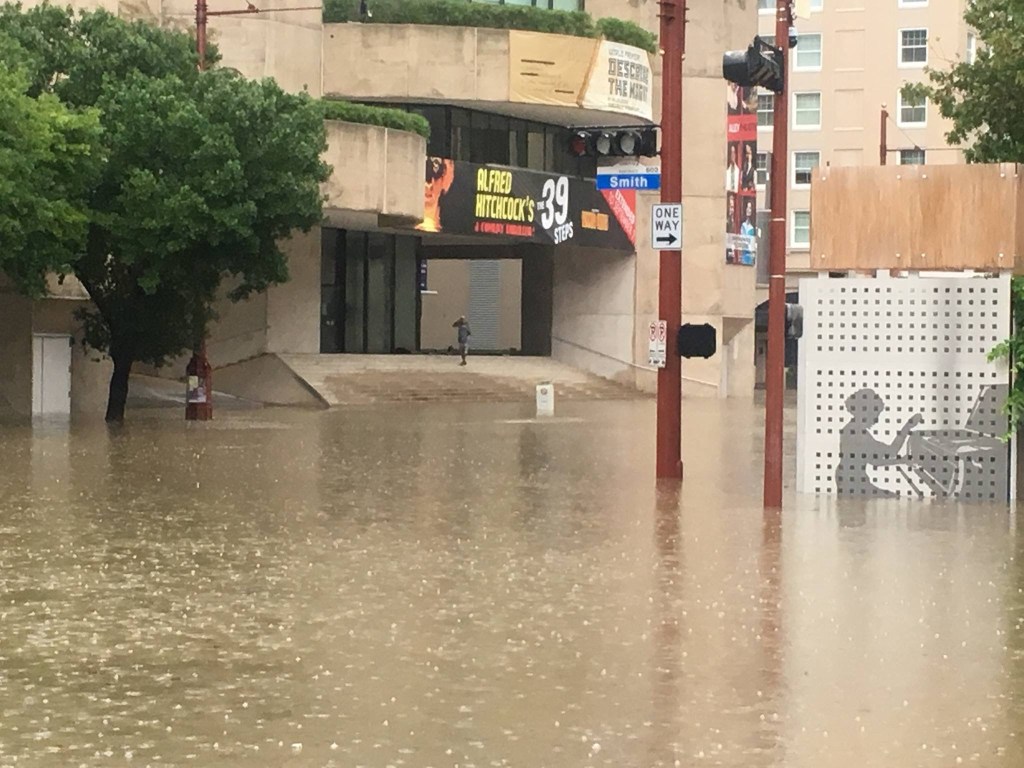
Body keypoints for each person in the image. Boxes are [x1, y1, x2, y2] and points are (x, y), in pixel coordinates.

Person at [835, 388, 923, 497]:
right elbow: (890, 452)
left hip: (851, 481)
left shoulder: (852, 430)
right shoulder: (858, 435)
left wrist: (902, 460)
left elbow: (874, 460)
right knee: (893, 498)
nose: (876, 420)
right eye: (875, 414)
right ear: (865, 412)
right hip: (853, 483)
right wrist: (908, 426)